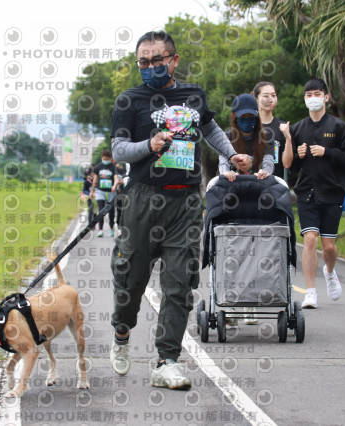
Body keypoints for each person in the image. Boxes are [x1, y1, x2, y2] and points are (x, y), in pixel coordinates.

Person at [108, 30, 249, 390]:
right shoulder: (129, 101)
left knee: (179, 283)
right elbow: (119, 150)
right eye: (144, 62)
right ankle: (122, 331)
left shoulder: (193, 95)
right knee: (130, 279)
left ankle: (166, 361)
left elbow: (210, 128)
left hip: (185, 201)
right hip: (142, 198)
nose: (151, 67)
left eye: (157, 60)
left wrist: (231, 154)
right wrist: (149, 144)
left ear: (173, 60)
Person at [282, 78, 345, 309]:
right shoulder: (298, 129)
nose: (313, 98)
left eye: (317, 94)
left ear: (326, 97)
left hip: (332, 193)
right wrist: (296, 151)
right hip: (306, 193)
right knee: (309, 239)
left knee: (328, 247)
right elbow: (290, 165)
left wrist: (328, 152)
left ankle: (329, 272)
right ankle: (311, 292)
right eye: (308, 95)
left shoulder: (339, 127)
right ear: (304, 99)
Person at [215, 93, 273, 326]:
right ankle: (230, 303)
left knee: (257, 253)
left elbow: (269, 163)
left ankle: (250, 304)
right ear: (234, 118)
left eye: (251, 117)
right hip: (233, 199)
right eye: (243, 118)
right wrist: (226, 172)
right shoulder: (227, 138)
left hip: (258, 199)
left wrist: (265, 172)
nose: (247, 122)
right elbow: (222, 164)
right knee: (233, 254)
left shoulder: (266, 137)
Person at [253, 81, 288, 180]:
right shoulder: (248, 127)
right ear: (256, 99)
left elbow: (287, 164)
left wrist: (288, 138)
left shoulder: (283, 127)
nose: (270, 99)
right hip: (250, 183)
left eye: (273, 95)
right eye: (265, 96)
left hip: (274, 185)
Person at [90, 150, 120, 237]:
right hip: (100, 191)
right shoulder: (98, 167)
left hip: (111, 191)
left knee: (111, 211)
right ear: (101, 158)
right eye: (104, 159)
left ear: (110, 158)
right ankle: (100, 229)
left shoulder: (113, 167)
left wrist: (115, 185)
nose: (105, 160)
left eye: (107, 159)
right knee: (101, 210)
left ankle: (111, 228)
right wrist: (92, 191)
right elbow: (95, 179)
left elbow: (116, 178)